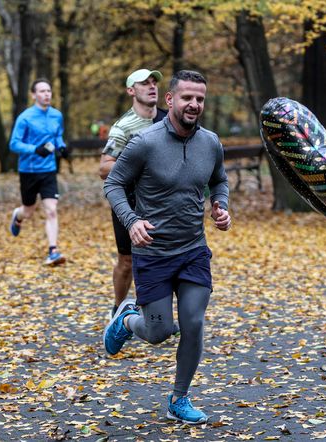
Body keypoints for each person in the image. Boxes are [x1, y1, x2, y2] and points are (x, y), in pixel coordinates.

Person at [103, 70, 231, 425]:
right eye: (187, 97)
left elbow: (219, 180)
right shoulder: (145, 142)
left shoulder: (211, 143)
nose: (194, 104)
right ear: (170, 100)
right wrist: (132, 221)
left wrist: (220, 206)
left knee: (193, 322)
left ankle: (179, 398)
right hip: (153, 253)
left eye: (200, 99)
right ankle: (128, 320)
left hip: (192, 250)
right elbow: (113, 184)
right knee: (159, 332)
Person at [98, 68, 167, 319]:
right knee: (127, 262)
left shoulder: (169, 119)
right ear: (131, 91)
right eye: (144, 83)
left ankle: (157, 317)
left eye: (154, 82)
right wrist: (139, 164)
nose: (152, 86)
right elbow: (104, 167)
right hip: (128, 204)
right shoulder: (123, 127)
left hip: (162, 203)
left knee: (163, 259)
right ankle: (117, 309)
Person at [9, 78, 69, 265]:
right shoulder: (25, 117)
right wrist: (35, 149)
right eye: (42, 91)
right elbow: (14, 144)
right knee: (28, 211)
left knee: (51, 210)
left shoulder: (56, 115)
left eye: (49, 91)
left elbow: (57, 136)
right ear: (33, 95)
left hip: (48, 170)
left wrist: (63, 147)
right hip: (28, 170)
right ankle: (17, 216)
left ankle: (53, 251)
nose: (46, 94)